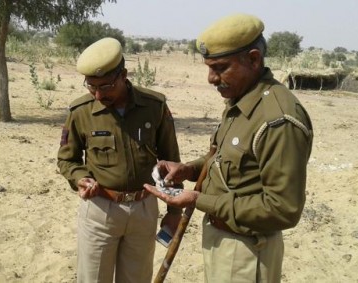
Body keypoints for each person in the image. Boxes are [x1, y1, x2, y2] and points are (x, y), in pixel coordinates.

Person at [144, 14, 314, 282]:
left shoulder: (278, 119)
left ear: (254, 59)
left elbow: (282, 208)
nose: (211, 78)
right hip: (223, 241)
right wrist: (188, 169)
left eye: (221, 67)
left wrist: (198, 200)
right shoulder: (243, 100)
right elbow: (224, 160)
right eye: (209, 67)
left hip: (247, 250)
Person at [57, 37, 182, 283]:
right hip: (101, 210)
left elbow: (171, 162)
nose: (98, 93)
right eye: (91, 86)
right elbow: (66, 159)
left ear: (124, 74)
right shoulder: (81, 112)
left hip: (144, 209)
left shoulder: (154, 106)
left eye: (106, 86)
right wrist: (80, 178)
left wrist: (174, 210)